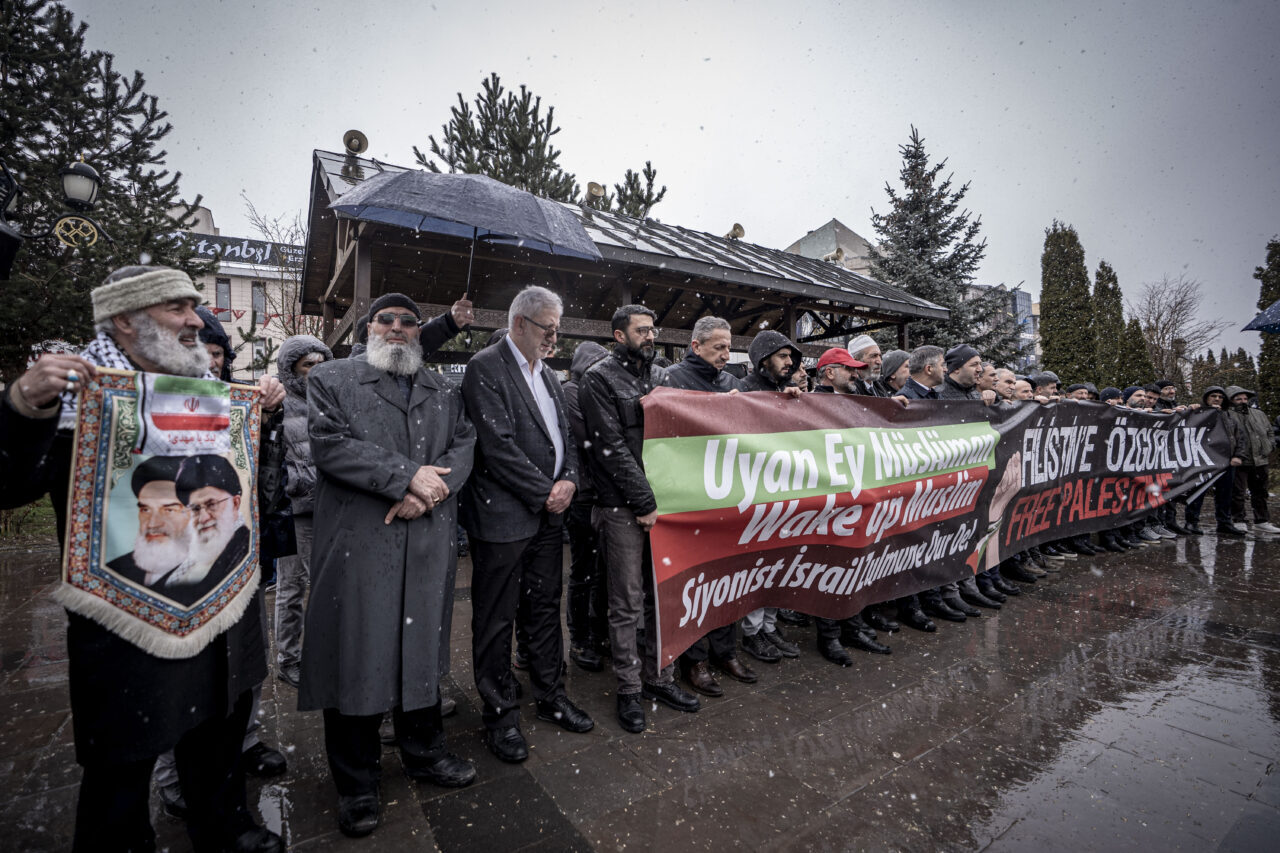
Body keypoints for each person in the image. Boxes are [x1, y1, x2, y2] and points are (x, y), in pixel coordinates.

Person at [0, 265, 284, 853]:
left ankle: (225, 829)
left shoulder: (211, 392)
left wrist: (266, 414)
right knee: (123, 763)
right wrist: (24, 405)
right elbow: (10, 484)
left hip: (220, 602)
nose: (195, 320)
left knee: (218, 734)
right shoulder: (80, 395)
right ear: (125, 319)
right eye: (177, 307)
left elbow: (240, 480)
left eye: (194, 306)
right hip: (128, 611)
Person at [300, 292, 478, 838]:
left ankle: (424, 753)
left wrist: (429, 492)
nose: (397, 328)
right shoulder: (331, 379)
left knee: (420, 650)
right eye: (386, 320)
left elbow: (464, 446)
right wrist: (405, 477)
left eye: (408, 321)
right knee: (357, 657)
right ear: (369, 328)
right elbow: (329, 445)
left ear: (420, 331)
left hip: (425, 540)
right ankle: (357, 783)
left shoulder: (443, 389)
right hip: (362, 545)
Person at [461, 286, 593, 763]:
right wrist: (546, 491)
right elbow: (497, 447)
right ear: (519, 323)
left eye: (557, 329)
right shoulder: (485, 367)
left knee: (544, 608)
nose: (554, 338)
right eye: (548, 329)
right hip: (504, 517)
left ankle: (551, 696)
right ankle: (500, 715)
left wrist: (570, 478)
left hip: (548, 517)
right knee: (496, 619)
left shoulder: (549, 374)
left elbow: (566, 438)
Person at [580, 304, 700, 733]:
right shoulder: (598, 379)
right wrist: (645, 502)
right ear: (619, 335)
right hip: (622, 507)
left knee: (662, 595)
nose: (650, 336)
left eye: (653, 330)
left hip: (665, 505)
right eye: (642, 331)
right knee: (626, 601)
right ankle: (629, 688)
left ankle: (660, 677)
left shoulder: (662, 376)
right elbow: (610, 448)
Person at [665, 316, 759, 696]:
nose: (725, 354)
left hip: (728, 496)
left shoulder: (731, 382)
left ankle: (725, 651)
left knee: (727, 579)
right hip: (690, 498)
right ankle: (695, 659)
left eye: (728, 347)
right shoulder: (671, 380)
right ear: (696, 346)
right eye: (718, 347)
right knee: (695, 584)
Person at [809, 347, 893, 664]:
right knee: (830, 569)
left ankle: (853, 627)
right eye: (848, 369)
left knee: (855, 564)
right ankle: (829, 636)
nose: (855, 374)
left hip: (858, 497)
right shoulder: (809, 404)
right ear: (830, 372)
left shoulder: (857, 402)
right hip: (828, 501)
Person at [736, 330, 806, 664]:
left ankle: (769, 626)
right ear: (763, 359)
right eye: (782, 356)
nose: (789, 363)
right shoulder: (744, 390)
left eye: (791, 357)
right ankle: (752, 633)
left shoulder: (786, 391)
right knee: (758, 566)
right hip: (757, 493)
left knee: (780, 565)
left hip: (785, 493)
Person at [273, 335, 332, 689]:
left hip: (329, 507)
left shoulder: (329, 399)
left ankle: (322, 653)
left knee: (326, 585)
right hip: (295, 511)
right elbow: (273, 458)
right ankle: (288, 658)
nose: (315, 370)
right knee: (292, 587)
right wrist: (299, 482)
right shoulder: (279, 401)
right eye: (308, 364)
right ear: (291, 367)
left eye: (320, 363)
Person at [562, 341, 610, 672]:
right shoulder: (570, 391)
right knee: (583, 572)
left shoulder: (591, 391)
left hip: (601, 493)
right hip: (583, 496)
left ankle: (597, 633)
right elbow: (591, 438)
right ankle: (580, 639)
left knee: (601, 572)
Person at [107, 456, 193, 588]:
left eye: (169, 510)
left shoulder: (216, 570)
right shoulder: (112, 571)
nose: (152, 524)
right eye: (146, 510)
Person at [1184, 386, 1244, 537]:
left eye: (1220, 397)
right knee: (1197, 492)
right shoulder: (1197, 413)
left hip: (1226, 461)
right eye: (1213, 396)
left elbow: (1239, 438)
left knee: (1225, 494)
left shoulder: (1229, 417)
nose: (1217, 399)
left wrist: (1238, 456)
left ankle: (1224, 523)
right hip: (1203, 461)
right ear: (1206, 398)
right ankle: (1191, 522)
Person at [1225, 386, 1279, 533]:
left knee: (1260, 492)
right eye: (1238, 399)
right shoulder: (1227, 415)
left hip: (1260, 460)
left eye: (1245, 398)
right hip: (1239, 460)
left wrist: (1269, 446)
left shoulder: (1259, 414)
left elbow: (1269, 431)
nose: (1243, 401)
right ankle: (1239, 520)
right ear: (1231, 400)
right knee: (1238, 493)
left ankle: (1262, 520)